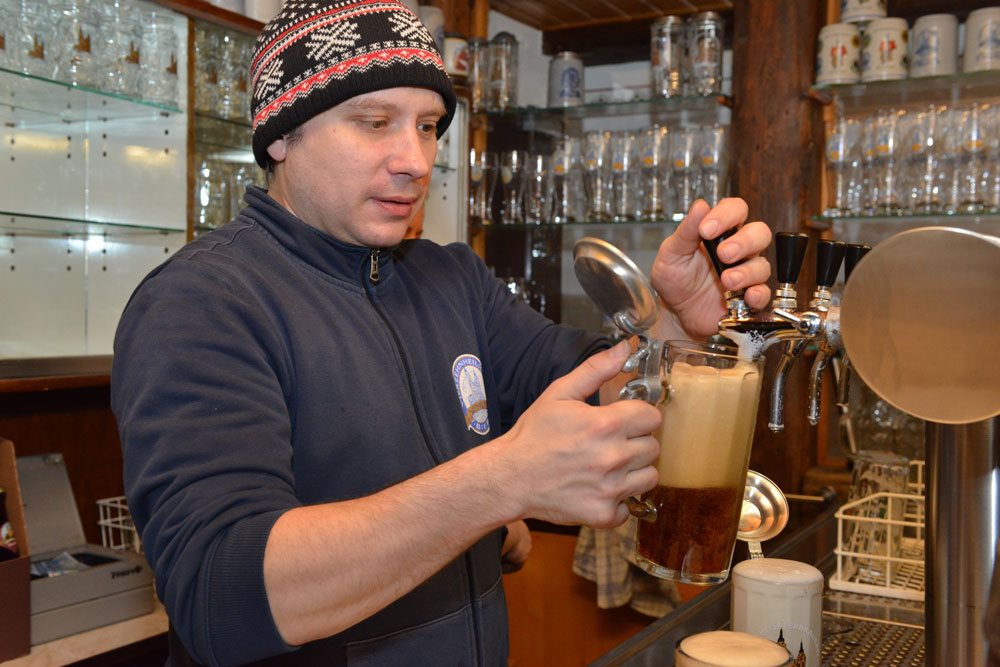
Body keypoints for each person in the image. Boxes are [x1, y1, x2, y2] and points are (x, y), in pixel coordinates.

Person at [110, 2, 773, 665]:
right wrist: (497, 487)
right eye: (375, 123)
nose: (415, 160)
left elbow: (597, 393)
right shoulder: (202, 302)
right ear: (282, 133)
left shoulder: (448, 276)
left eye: (428, 126)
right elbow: (221, 598)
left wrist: (675, 327)